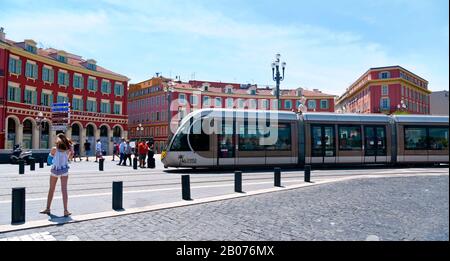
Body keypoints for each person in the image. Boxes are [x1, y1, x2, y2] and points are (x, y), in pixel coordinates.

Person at [40, 133, 73, 217]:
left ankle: (47, 208)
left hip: (55, 170)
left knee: (51, 189)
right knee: (64, 190)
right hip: (64, 170)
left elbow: (49, 161)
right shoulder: (68, 150)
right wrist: (70, 153)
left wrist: (54, 159)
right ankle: (65, 210)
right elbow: (69, 160)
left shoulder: (54, 149)